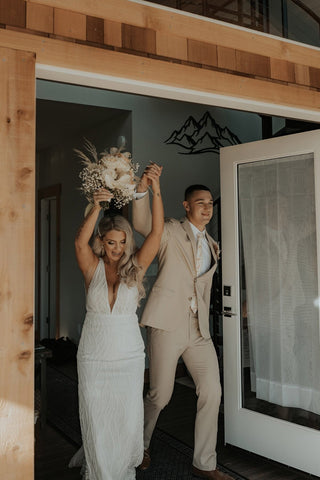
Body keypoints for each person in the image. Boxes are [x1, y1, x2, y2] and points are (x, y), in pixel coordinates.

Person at [132, 165, 232, 480]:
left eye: (210, 203)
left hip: (198, 330)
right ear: (186, 206)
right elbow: (143, 222)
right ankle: (140, 446)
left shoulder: (214, 245)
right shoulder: (171, 230)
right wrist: (143, 189)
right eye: (200, 202)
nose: (207, 207)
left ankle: (205, 463)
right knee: (160, 394)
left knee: (212, 391)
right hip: (167, 324)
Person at [71, 166, 163, 480]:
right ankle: (99, 470)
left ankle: (122, 466)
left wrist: (155, 189)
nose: (118, 249)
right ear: (102, 241)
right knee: (96, 415)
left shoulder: (134, 267)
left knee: (126, 415)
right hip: (94, 355)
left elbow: (156, 234)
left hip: (128, 356)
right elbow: (78, 244)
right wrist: (96, 206)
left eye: (122, 242)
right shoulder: (91, 267)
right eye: (111, 242)